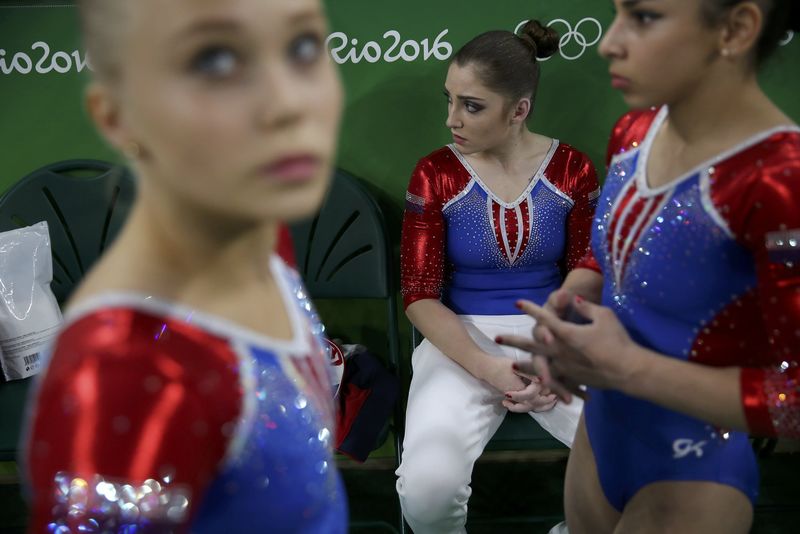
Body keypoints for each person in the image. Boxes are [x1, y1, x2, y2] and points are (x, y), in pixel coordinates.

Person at [20, 0, 346, 532]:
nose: (290, 102)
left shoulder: (259, 230)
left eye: (304, 46)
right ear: (117, 116)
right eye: (216, 62)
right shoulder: (126, 373)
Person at [498, 1, 800, 532]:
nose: (608, 43)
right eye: (617, 13)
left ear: (736, 28)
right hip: (603, 437)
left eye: (643, 17)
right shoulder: (636, 130)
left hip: (693, 470)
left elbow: (793, 400)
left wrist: (627, 368)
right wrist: (569, 306)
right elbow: (612, 254)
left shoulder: (780, 180)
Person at [395, 20, 600, 533]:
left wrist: (551, 349)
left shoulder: (572, 168)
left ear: (519, 110)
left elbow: (588, 269)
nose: (451, 120)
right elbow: (420, 296)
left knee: (643, 468)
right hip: (458, 337)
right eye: (449, 100)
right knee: (426, 491)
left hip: (555, 333)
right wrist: (489, 368)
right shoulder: (435, 173)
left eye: (471, 105)